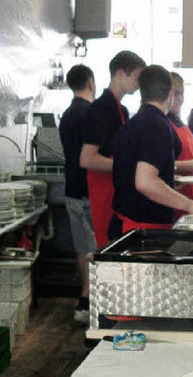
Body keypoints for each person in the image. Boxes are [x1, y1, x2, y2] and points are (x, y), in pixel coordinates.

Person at [111, 65, 193, 235]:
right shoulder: (158, 125)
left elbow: (135, 169)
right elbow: (145, 182)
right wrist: (191, 205)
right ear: (171, 93)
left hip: (125, 222)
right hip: (143, 228)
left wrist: (169, 180)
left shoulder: (133, 122)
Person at [79, 50, 146, 247]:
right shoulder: (101, 109)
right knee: (102, 253)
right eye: (137, 77)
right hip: (101, 194)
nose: (139, 83)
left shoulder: (120, 109)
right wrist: (129, 166)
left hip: (115, 191)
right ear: (120, 74)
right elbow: (87, 159)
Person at [59, 64, 97, 323]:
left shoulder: (67, 114)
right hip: (88, 191)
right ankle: (89, 299)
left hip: (71, 188)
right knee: (94, 248)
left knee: (81, 248)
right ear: (91, 82)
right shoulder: (90, 114)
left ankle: (83, 302)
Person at [167, 72, 193, 207]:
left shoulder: (180, 122)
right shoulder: (162, 125)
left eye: (181, 94)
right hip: (180, 198)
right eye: (175, 93)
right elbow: (160, 165)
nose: (179, 98)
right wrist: (188, 165)